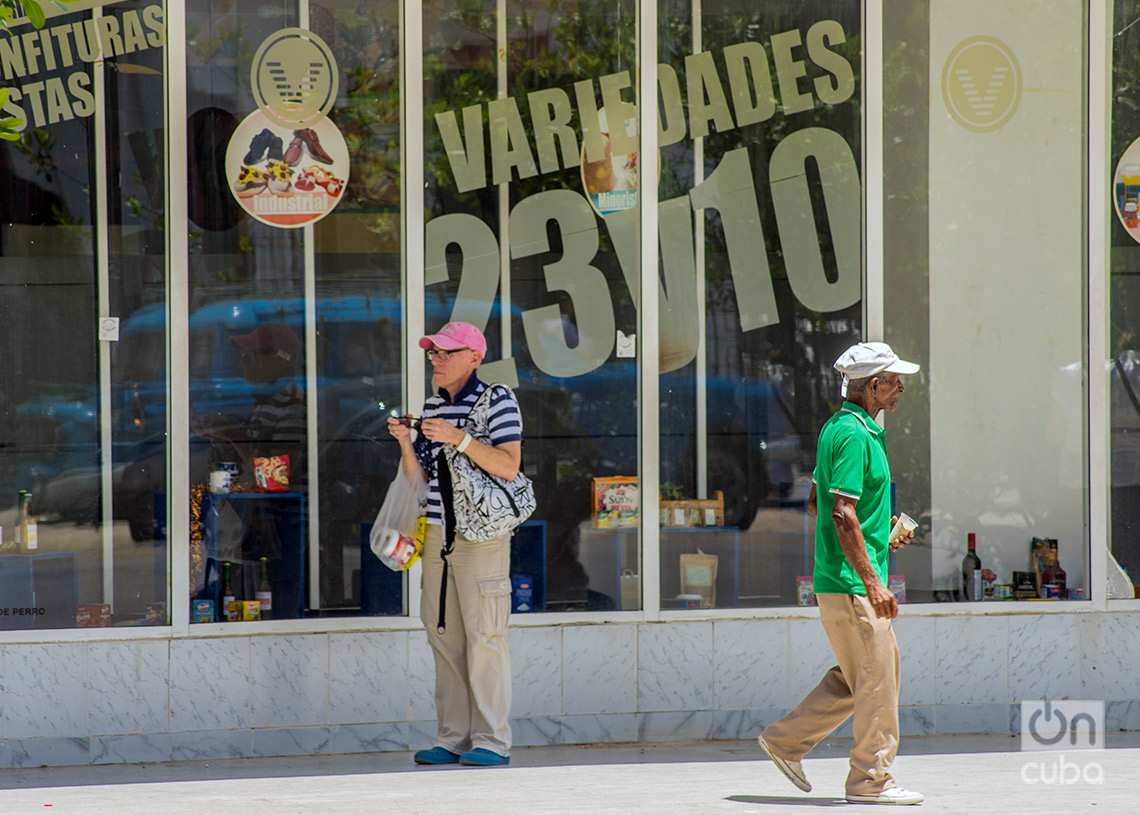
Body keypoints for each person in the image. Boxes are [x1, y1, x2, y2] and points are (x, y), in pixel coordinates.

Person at [757, 341, 924, 806]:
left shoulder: (839, 429)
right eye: (894, 381)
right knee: (876, 683)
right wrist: (873, 582)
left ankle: (787, 741)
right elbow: (841, 513)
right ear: (873, 385)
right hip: (853, 587)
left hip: (838, 581)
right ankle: (871, 783)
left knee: (866, 676)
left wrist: (881, 528)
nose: (900, 388)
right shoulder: (854, 436)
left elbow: (820, 503)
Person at [388, 321, 523, 768]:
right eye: (433, 353)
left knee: (486, 636)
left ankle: (492, 741)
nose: (436, 360)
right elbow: (420, 478)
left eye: (446, 352)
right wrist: (407, 443)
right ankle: (452, 737)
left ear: (474, 357)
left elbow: (508, 466)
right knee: (443, 636)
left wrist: (459, 438)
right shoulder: (431, 405)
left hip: (482, 536)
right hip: (437, 537)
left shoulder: (497, 398)